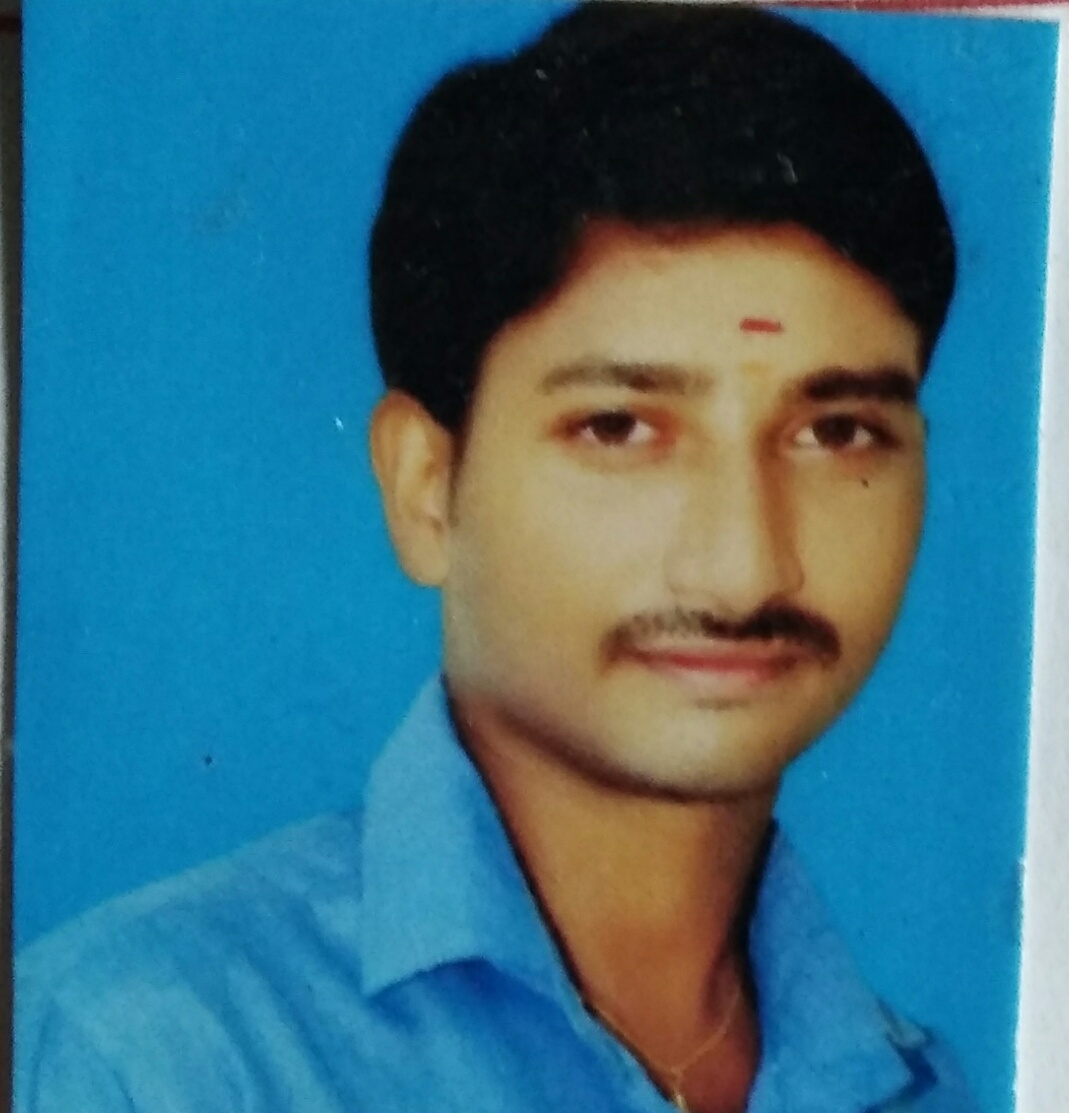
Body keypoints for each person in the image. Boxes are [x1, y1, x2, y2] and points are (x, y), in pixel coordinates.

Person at [16, 5, 976, 1112]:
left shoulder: (924, 1087)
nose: (744, 569)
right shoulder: (147, 1056)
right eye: (620, 427)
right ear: (426, 485)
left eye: (835, 432)